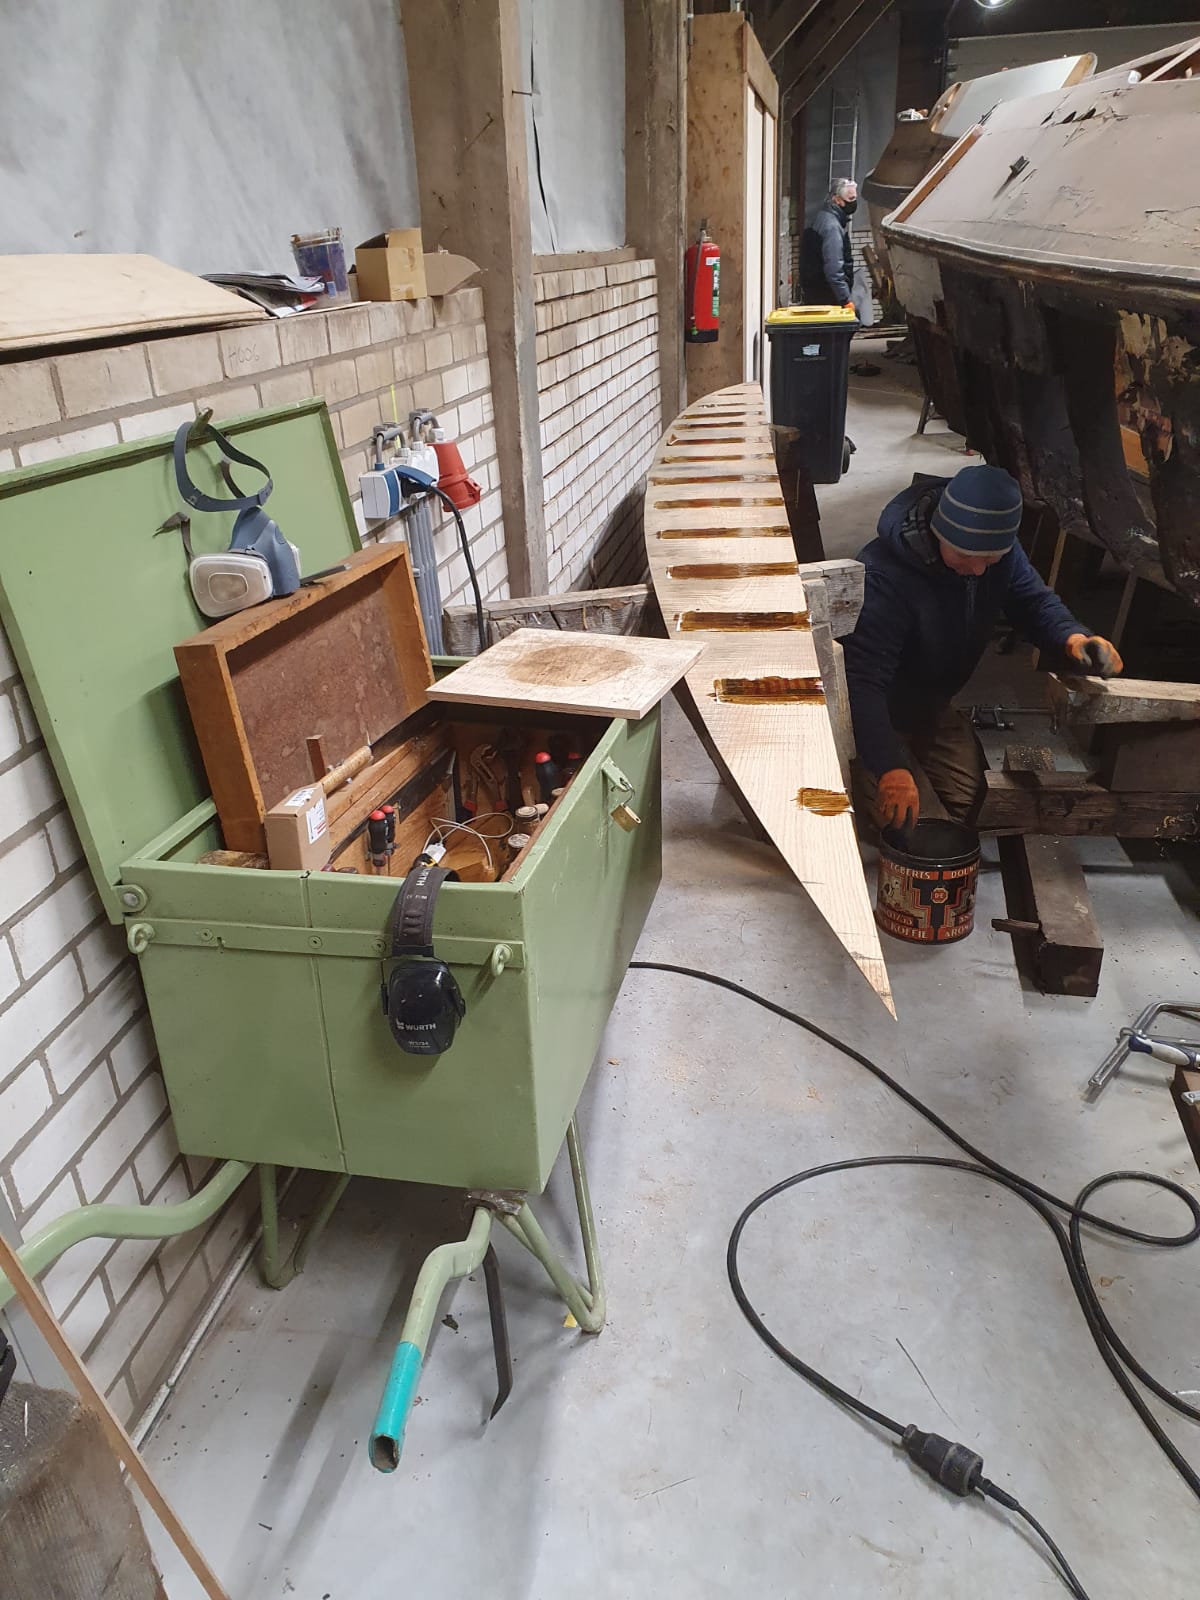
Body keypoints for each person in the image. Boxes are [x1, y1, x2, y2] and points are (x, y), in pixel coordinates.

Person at [842, 465, 1124, 832]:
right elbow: (862, 685)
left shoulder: (996, 553)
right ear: (938, 532)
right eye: (966, 556)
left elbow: (1033, 602)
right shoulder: (884, 577)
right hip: (877, 710)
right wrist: (889, 767)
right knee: (912, 827)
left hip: (931, 706)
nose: (978, 570)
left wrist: (1074, 639)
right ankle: (867, 769)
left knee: (975, 806)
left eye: (990, 559)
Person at [800, 178, 857, 307]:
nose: (854, 203)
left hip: (818, 292)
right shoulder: (832, 227)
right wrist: (845, 299)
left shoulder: (823, 217)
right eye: (851, 199)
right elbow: (834, 268)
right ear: (837, 199)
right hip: (828, 296)